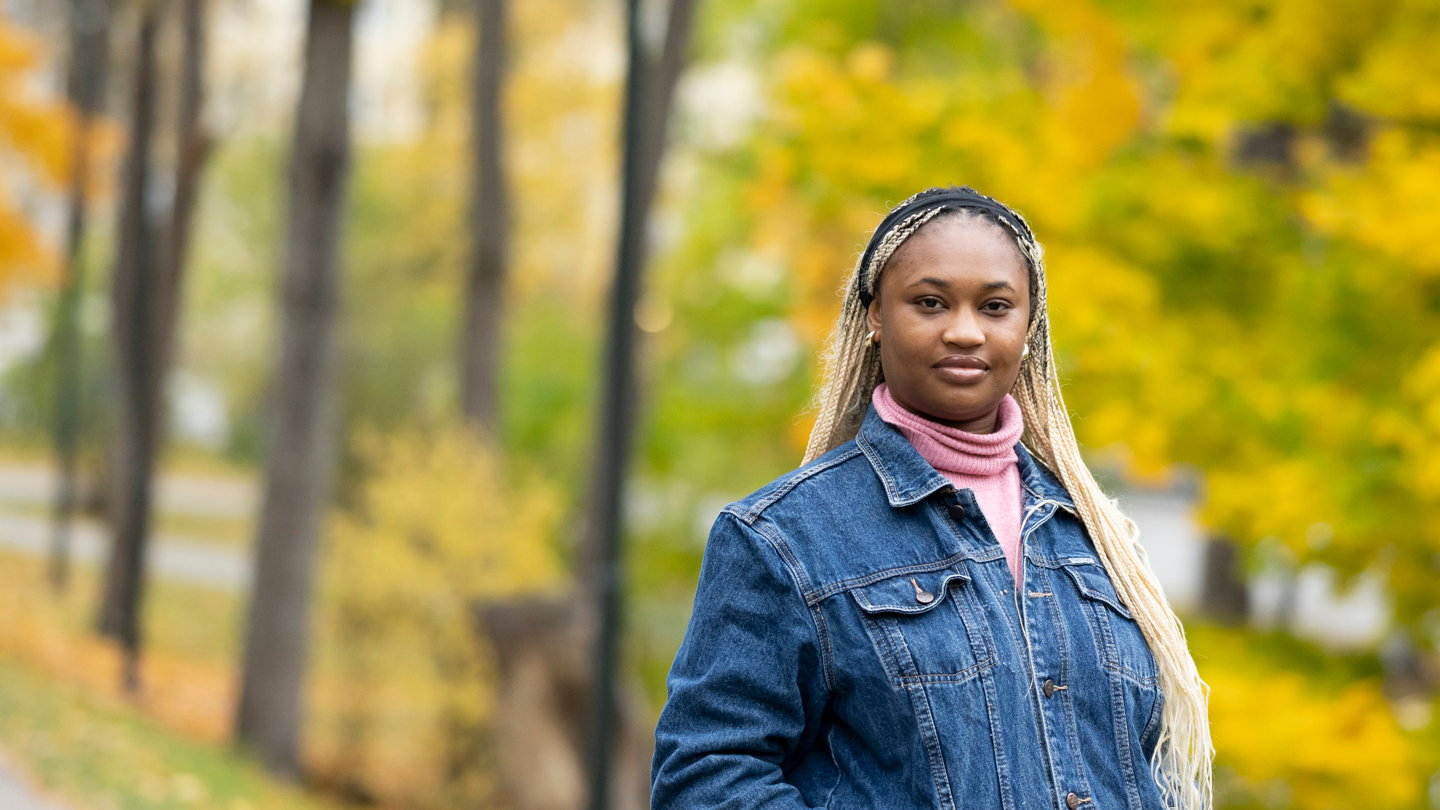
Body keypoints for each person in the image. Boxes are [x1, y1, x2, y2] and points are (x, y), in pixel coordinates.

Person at [651, 187, 1212, 810]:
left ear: (1029, 328)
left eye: (996, 306)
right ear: (874, 317)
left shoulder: (1098, 538)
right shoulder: (781, 540)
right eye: (930, 302)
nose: (965, 331)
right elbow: (705, 778)